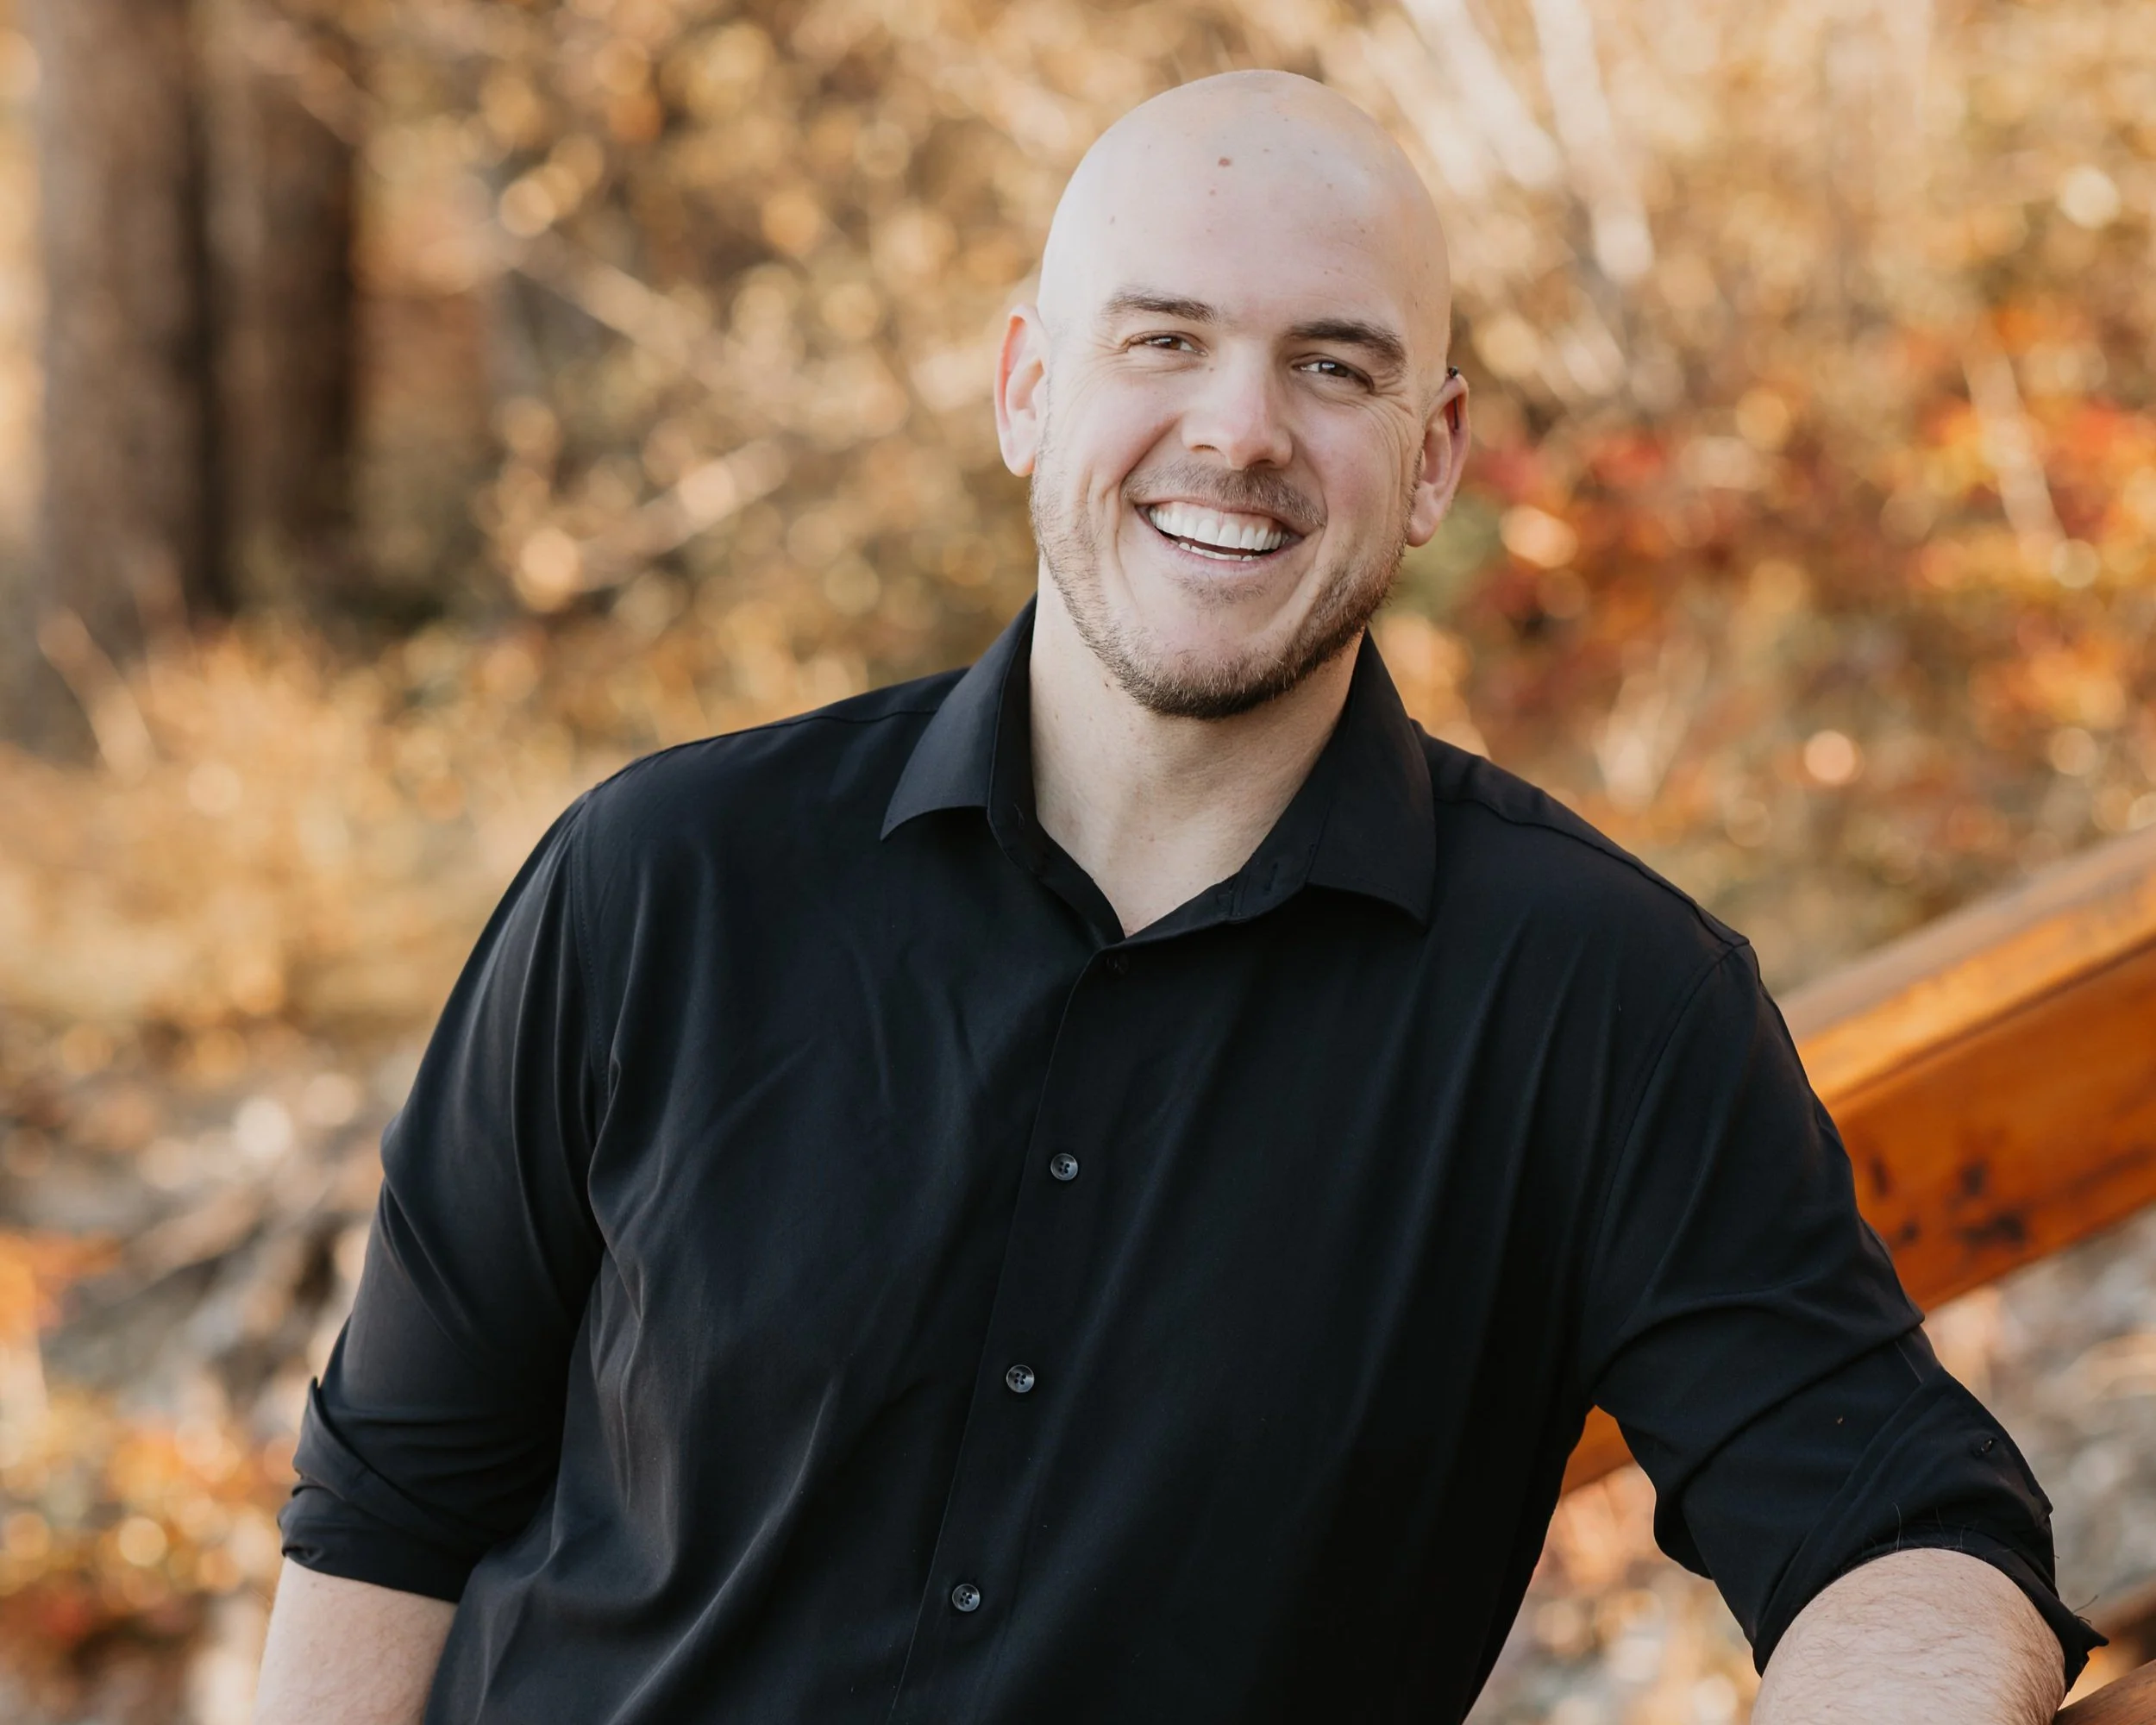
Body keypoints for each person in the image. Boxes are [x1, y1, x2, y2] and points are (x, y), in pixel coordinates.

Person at [254, 71, 2097, 1725]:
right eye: (1162, 341)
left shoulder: (1597, 999)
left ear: (1434, 457)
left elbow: (1898, 1532)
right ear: (1026, 389)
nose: (1239, 430)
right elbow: (393, 1507)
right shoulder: (660, 879)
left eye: (1333, 364)